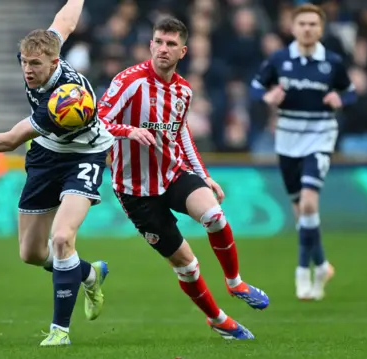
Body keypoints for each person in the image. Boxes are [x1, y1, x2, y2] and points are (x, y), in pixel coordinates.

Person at [0, 0, 113, 346]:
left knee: (60, 239)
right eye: (25, 62)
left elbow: (9, 139)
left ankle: (60, 331)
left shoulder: (62, 101)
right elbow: (64, 21)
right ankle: (89, 272)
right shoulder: (41, 49)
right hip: (45, 156)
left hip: (84, 155)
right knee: (31, 254)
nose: (28, 69)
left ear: (55, 63)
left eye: (35, 64)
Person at [97, 17, 269, 340]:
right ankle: (218, 319)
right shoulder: (129, 81)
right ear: (150, 45)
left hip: (172, 173)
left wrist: (204, 176)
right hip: (136, 192)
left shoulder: (184, 91)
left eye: (171, 44)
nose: (163, 49)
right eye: (158, 42)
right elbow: (98, 120)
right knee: (187, 265)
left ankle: (235, 283)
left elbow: (182, 134)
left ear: (183, 51)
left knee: (215, 216)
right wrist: (129, 131)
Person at [250, 4, 356, 300]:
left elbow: (351, 91)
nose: (308, 28)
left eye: (313, 24)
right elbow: (255, 87)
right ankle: (321, 264)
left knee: (309, 204)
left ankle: (302, 273)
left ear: (320, 29)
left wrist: (340, 98)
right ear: (293, 28)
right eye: (303, 24)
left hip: (320, 137)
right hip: (287, 141)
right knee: (301, 212)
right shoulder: (279, 60)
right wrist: (267, 95)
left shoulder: (332, 62)